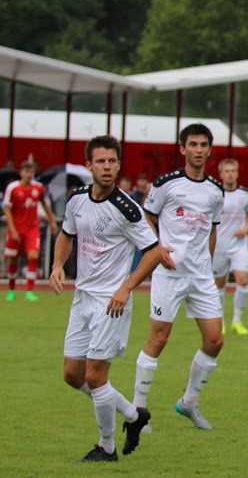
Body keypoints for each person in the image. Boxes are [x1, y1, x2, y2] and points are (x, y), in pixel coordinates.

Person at [50, 135, 171, 462]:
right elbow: (66, 234)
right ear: (88, 165)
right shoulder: (76, 199)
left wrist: (125, 288)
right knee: (72, 375)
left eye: (112, 162)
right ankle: (133, 415)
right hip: (83, 297)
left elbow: (154, 251)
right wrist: (58, 265)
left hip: (111, 303)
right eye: (101, 161)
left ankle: (106, 447)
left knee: (95, 376)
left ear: (119, 165)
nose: (107, 167)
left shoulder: (127, 207)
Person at [133, 123, 225, 431]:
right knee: (158, 339)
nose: (199, 149)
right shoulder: (166, 184)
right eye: (193, 144)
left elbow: (212, 228)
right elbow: (146, 217)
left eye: (204, 145)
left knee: (214, 341)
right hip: (168, 273)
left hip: (200, 277)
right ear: (182, 149)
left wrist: (208, 266)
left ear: (210, 150)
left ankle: (188, 403)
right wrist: (158, 248)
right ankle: (138, 410)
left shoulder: (215, 190)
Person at [211, 158, 248, 335]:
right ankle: (220, 320)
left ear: (237, 173)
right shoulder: (215, 195)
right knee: (219, 283)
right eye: (227, 171)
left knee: (243, 280)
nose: (230, 174)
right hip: (220, 245)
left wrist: (245, 229)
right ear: (221, 174)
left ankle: (237, 321)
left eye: (233, 171)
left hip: (239, 245)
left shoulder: (246, 195)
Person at [4, 161, 58, 301]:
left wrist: (52, 221)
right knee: (13, 259)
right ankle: (11, 289)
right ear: (21, 172)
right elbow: (7, 209)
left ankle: (29, 291)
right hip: (16, 228)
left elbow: (44, 204)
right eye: (27, 172)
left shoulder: (38, 188)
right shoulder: (13, 188)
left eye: (31, 173)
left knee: (33, 256)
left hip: (32, 229)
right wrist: (12, 229)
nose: (29, 175)